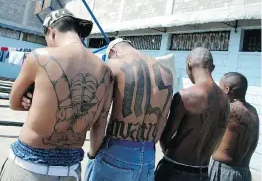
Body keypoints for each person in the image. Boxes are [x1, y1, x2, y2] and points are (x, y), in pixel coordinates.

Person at [0, 8, 114, 181]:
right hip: (70, 171)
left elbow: (13, 103)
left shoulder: (39, 57)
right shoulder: (105, 70)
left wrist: (30, 99)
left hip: (28, 167)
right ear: (78, 34)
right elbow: (100, 123)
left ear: (52, 33)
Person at [84, 38, 175, 181]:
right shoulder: (166, 72)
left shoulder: (112, 65)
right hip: (148, 154)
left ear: (113, 51)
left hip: (116, 151)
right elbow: (163, 119)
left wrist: (92, 152)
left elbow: (101, 117)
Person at [155, 47, 230, 181]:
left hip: (174, 170)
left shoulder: (185, 96)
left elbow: (165, 138)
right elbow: (217, 139)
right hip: (203, 173)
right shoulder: (225, 100)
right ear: (212, 67)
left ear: (189, 64)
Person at [209, 72, 259, 181]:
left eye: (220, 88)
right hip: (244, 172)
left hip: (224, 172)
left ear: (226, 90)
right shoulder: (253, 111)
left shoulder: (228, 109)